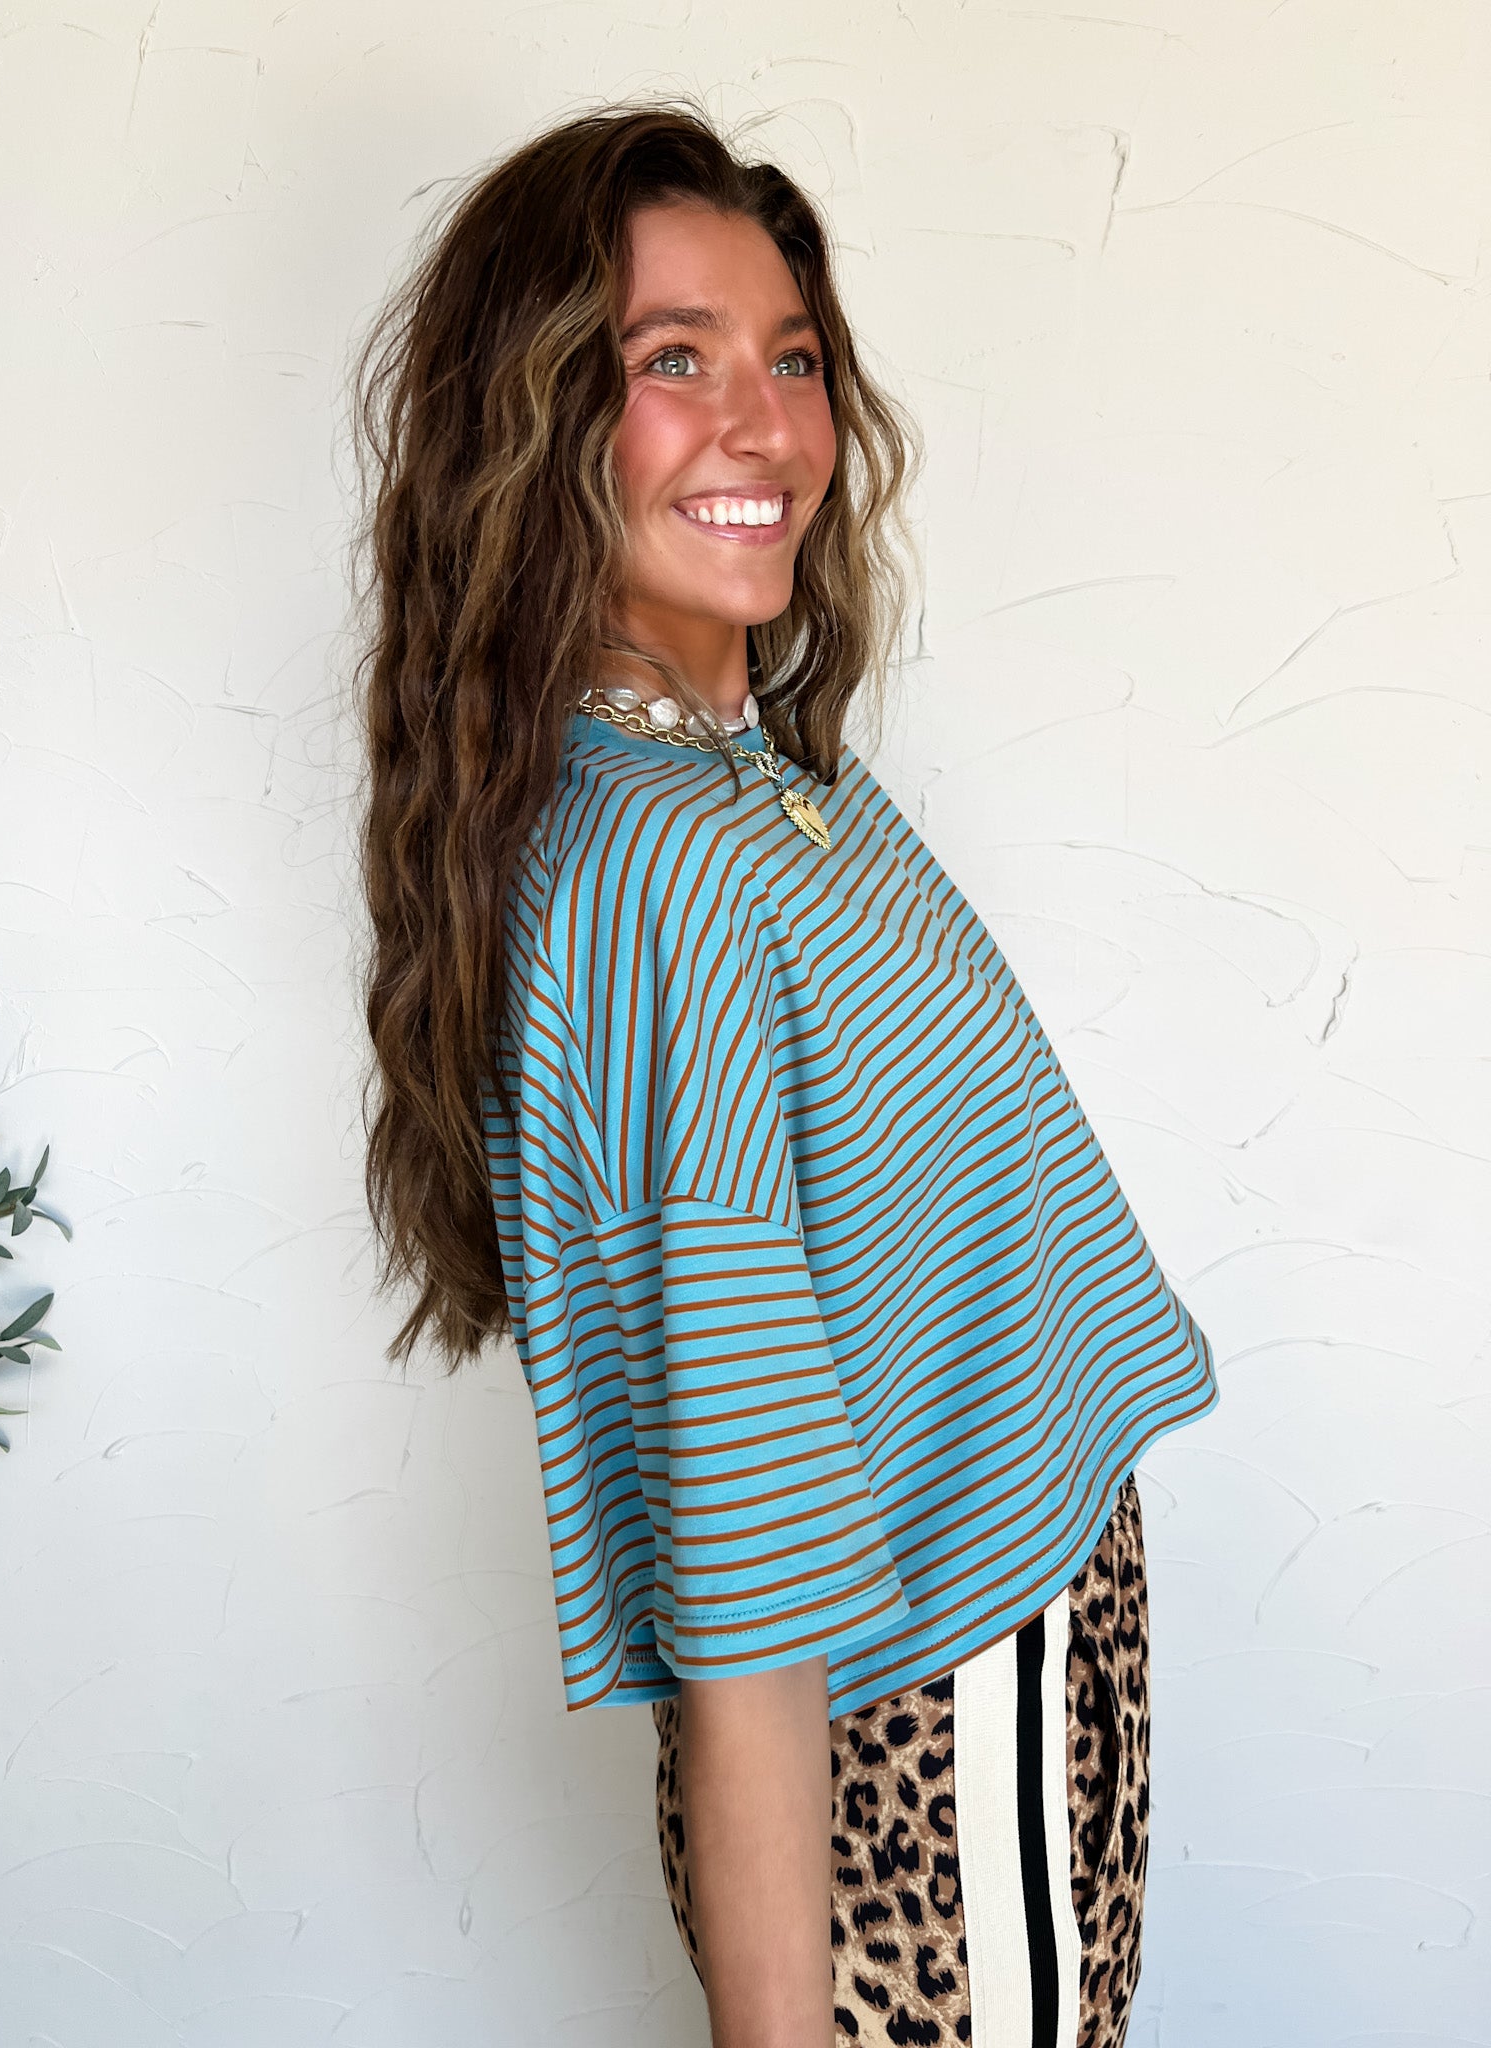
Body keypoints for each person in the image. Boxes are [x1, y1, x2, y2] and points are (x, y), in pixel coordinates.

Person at [351, 99, 1220, 2048]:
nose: (766, 426)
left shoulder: (760, 781)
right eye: (674, 361)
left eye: (795, 358)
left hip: (1023, 1652)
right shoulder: (655, 872)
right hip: (928, 1748)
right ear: (535, 422)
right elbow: (743, 1555)